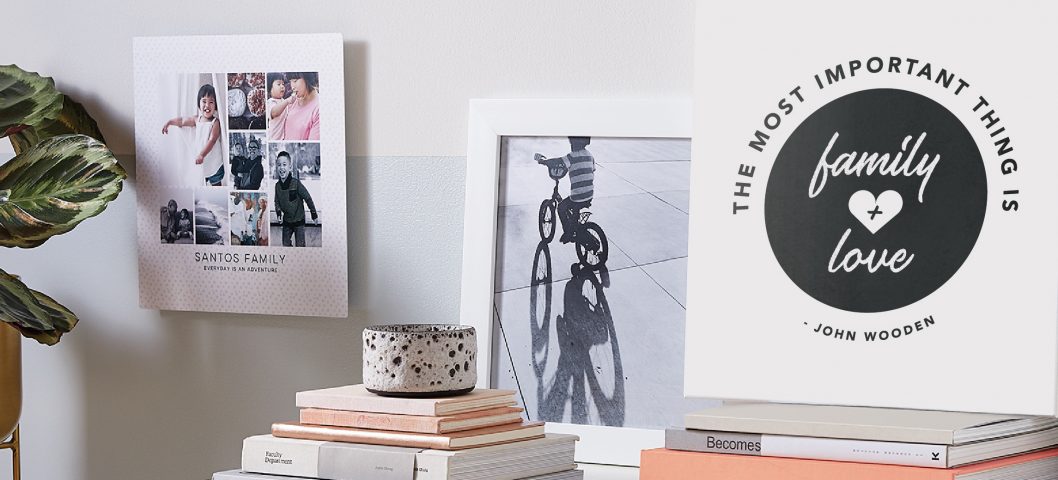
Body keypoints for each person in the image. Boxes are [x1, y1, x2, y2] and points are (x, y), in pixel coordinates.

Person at [162, 84, 224, 186]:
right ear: (199, 104)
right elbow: (182, 121)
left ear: (215, 105)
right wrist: (169, 122)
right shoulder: (197, 119)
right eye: (204, 101)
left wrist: (202, 154)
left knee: (216, 185)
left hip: (214, 163)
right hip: (203, 163)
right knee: (203, 183)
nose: (207, 105)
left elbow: (212, 140)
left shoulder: (215, 122)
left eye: (211, 102)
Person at [535, 137, 594, 244]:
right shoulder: (590, 155)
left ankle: (568, 233)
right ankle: (575, 227)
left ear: (573, 143)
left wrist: (543, 161)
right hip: (589, 194)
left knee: (561, 207)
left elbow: (557, 162)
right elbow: (592, 168)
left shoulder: (571, 157)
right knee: (572, 208)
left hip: (578, 196)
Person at [274, 151, 318, 247]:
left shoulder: (296, 183)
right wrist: (278, 213)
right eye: (279, 165)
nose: (281, 168)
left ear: (290, 167)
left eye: (284, 165)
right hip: (287, 221)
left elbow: (308, 198)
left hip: (299, 220)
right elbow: (276, 201)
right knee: (285, 244)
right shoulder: (277, 186)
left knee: (300, 245)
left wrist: (314, 214)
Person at [276, 72, 320, 141]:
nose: (292, 87)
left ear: (307, 78)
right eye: (291, 82)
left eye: (295, 81)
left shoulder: (318, 109)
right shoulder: (291, 99)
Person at [266, 73, 289, 140]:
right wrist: (287, 101)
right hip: (274, 138)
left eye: (283, 84)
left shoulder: (283, 100)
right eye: (278, 84)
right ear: (270, 88)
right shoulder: (270, 102)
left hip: (284, 137)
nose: (282, 86)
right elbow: (274, 113)